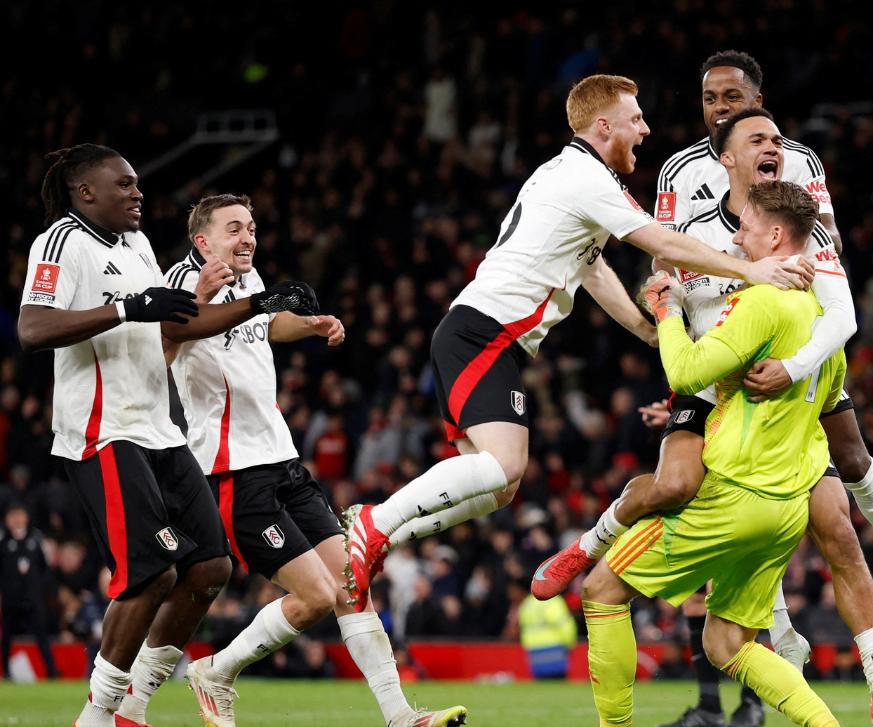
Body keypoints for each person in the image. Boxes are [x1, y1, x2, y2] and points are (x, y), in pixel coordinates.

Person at [536, 52, 873, 727]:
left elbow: (839, 296)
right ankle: (591, 546)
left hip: (786, 372)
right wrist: (684, 313)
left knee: (840, 504)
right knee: (680, 487)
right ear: (725, 150)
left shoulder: (797, 199)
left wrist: (790, 360)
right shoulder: (688, 194)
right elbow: (663, 266)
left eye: (741, 101)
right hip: (716, 373)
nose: (725, 109)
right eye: (713, 100)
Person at [343, 74, 814, 611]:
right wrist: (752, 271)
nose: (646, 129)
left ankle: (382, 541)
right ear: (604, 125)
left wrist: (648, 329)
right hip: (485, 331)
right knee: (503, 467)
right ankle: (373, 523)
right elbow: (660, 241)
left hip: (485, 334)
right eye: (636, 120)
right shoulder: (587, 178)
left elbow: (593, 270)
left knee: (497, 490)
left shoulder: (566, 176)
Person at [17, 144, 319, 727]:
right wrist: (130, 307)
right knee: (151, 572)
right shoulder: (59, 242)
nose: (137, 192)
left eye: (136, 183)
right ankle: (94, 722)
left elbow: (177, 324)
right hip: (105, 433)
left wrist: (260, 305)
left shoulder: (137, 248)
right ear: (84, 192)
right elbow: (34, 328)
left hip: (160, 429)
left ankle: (132, 714)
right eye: (123, 184)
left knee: (210, 568)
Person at [550, 181, 864, 727]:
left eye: (744, 225)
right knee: (727, 644)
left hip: (730, 496)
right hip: (785, 509)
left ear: (777, 236)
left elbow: (685, 367)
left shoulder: (762, 303)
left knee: (601, 590)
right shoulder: (824, 324)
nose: (735, 236)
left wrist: (667, 312)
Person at [165, 194, 466, 727]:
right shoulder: (183, 284)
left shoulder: (246, 289)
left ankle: (401, 721)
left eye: (252, 227)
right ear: (202, 241)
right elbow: (167, 340)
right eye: (233, 229)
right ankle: (214, 670)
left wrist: (305, 324)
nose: (247, 237)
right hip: (234, 472)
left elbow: (260, 326)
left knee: (352, 582)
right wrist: (218, 303)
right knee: (316, 595)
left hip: (283, 460)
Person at [0, 503, 58, 679]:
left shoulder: (36, 537)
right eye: (13, 515)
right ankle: (5, 672)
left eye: (20, 514)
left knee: (41, 634)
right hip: (9, 599)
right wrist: (4, 587)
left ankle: (51, 671)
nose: (17, 519)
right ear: (7, 518)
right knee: (6, 636)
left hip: (33, 598)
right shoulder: (0, 538)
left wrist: (38, 587)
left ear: (26, 517)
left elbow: (46, 567)